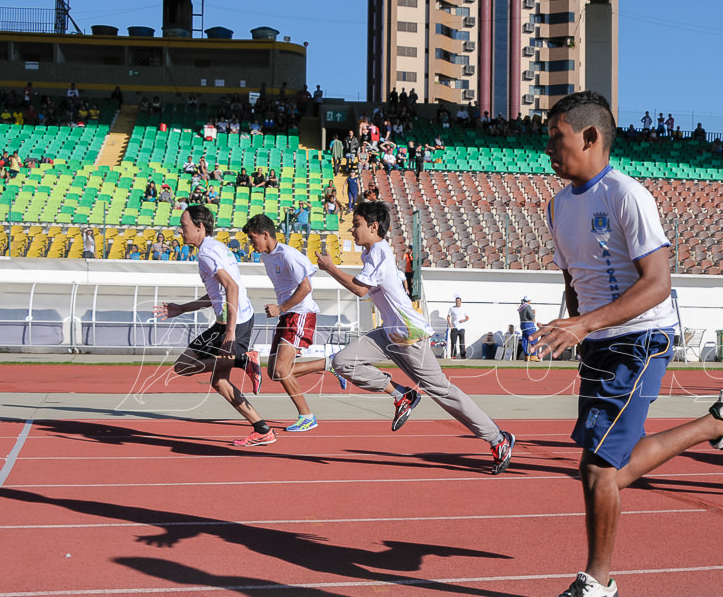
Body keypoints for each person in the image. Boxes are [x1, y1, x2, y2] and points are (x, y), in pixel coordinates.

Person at [532, 91, 723, 597]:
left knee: (597, 467)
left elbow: (657, 284)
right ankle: (715, 423)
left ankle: (600, 583)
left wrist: (585, 324)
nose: (547, 147)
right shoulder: (558, 204)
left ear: (591, 138)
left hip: (641, 340)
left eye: (556, 137)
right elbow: (574, 280)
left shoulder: (626, 196)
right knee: (608, 466)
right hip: (599, 344)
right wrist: (579, 333)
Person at [316, 201, 515, 473]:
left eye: (357, 224)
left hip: (410, 336)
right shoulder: (372, 254)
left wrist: (329, 267)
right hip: (389, 334)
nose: (352, 230)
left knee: (442, 392)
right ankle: (402, 395)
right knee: (343, 362)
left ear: (374, 226)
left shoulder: (380, 252)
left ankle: (498, 438)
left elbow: (360, 291)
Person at [154, 206, 271, 446]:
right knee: (219, 382)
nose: (180, 230)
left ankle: (242, 360)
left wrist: (229, 331)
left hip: (232, 322)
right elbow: (218, 294)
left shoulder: (206, 253)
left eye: (184, 225)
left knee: (183, 367)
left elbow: (232, 288)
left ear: (199, 226)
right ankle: (262, 429)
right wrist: (182, 308)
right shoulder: (216, 247)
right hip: (240, 318)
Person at [243, 214, 336, 433]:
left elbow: (306, 288)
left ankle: (307, 416)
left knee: (283, 369)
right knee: (275, 372)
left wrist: (280, 308)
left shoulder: (289, 256)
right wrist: (281, 310)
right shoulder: (266, 256)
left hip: (300, 313)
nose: (251, 243)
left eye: (252, 238)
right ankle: (330, 364)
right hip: (287, 315)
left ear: (265, 235)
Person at [517, 296, 540, 361]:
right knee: (534, 339)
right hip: (529, 324)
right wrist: (534, 314)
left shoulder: (521, 307)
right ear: (529, 301)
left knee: (525, 340)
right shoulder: (527, 306)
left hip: (523, 324)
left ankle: (526, 356)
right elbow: (531, 316)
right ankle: (533, 355)